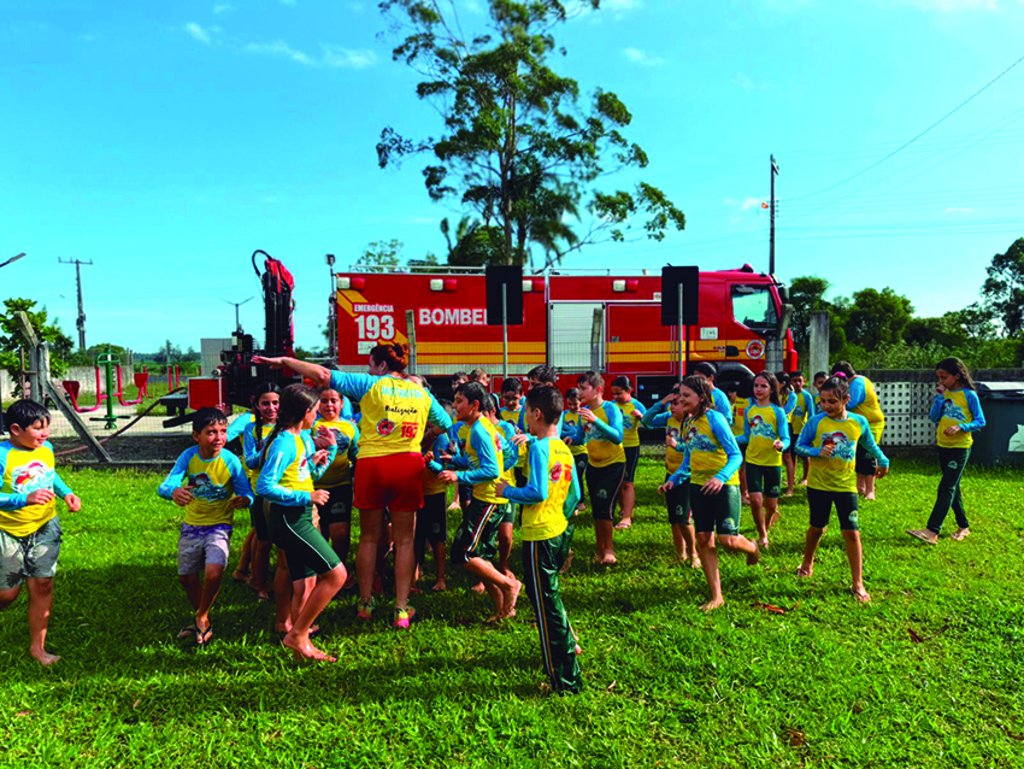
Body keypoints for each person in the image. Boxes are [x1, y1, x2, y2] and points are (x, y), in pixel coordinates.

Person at [254, 345, 452, 629]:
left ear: (382, 367)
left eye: (371, 365)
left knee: (369, 537)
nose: (369, 370)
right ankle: (401, 608)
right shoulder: (422, 393)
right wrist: (420, 436)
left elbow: (322, 374)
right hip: (407, 464)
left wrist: (285, 360)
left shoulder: (371, 384)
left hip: (371, 465)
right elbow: (444, 422)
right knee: (405, 539)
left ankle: (365, 601)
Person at [497, 385, 583, 695]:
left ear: (536, 413)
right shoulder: (562, 447)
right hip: (558, 531)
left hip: (539, 536)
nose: (523, 421)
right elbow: (575, 495)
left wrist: (505, 491)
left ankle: (565, 680)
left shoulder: (538, 449)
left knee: (546, 611)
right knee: (550, 601)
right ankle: (568, 652)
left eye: (525, 414)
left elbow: (536, 492)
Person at [257, 384, 342, 661]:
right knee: (337, 575)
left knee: (306, 582)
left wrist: (323, 457)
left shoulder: (300, 438)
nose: (317, 417)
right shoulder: (283, 442)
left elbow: (305, 475)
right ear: (306, 412)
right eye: (315, 412)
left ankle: (300, 639)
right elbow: (265, 485)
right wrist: (306, 495)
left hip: (300, 515)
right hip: (290, 520)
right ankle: (296, 635)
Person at [659, 376, 759, 611]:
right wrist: (673, 480)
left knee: (728, 540)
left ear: (701, 397)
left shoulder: (715, 419)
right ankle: (717, 595)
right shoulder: (688, 422)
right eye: (680, 395)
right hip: (697, 486)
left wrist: (720, 478)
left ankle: (753, 548)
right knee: (704, 539)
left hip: (725, 486)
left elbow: (735, 455)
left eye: (686, 396)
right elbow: (688, 458)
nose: (681, 400)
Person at [157, 408, 253, 646]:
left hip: (219, 527)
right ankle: (204, 616)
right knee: (186, 578)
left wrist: (246, 500)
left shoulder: (230, 460)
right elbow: (165, 486)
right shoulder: (189, 457)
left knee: (213, 572)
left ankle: (200, 616)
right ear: (196, 436)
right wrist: (174, 492)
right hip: (191, 526)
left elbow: (246, 491)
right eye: (211, 432)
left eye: (223, 431)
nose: (219, 437)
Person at [0, 399, 82, 666]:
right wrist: (24, 499)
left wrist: (66, 493)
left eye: (47, 427)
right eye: (38, 428)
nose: (45, 434)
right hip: (8, 531)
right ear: (15, 429)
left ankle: (38, 648)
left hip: (45, 525)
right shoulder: (3, 455)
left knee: (43, 584)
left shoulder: (45, 448)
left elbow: (51, 474)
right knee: (7, 595)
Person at [794, 375, 889, 603]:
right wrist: (816, 452)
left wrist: (883, 460)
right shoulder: (816, 422)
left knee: (852, 532)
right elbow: (799, 446)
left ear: (845, 399)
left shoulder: (858, 422)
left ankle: (858, 583)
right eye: (823, 401)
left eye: (832, 402)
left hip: (846, 486)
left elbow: (869, 444)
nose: (826, 406)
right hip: (819, 485)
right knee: (817, 528)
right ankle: (807, 562)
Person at [439, 382, 520, 621]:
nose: (454, 407)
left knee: (462, 553)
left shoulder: (479, 431)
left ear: (475, 405)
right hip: (487, 498)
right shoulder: (482, 427)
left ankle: (509, 584)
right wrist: (455, 460)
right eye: (454, 401)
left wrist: (458, 475)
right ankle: (504, 610)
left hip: (488, 501)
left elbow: (492, 470)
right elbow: (503, 455)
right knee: (480, 556)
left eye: (459, 402)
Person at [907, 358, 985, 545]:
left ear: (957, 376)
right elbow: (934, 417)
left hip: (960, 448)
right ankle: (963, 526)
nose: (940, 381)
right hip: (943, 446)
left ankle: (932, 531)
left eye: (944, 377)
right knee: (953, 487)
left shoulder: (969, 396)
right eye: (938, 377)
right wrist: (939, 398)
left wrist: (961, 427)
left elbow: (981, 421)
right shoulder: (944, 394)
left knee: (946, 486)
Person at [642, 384, 699, 568]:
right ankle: (680, 554)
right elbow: (646, 420)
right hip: (670, 474)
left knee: (683, 518)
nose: (672, 407)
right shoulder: (669, 418)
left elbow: (693, 449)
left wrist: (677, 445)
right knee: (674, 518)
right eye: (671, 403)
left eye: (676, 403)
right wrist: (661, 403)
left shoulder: (693, 423)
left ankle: (694, 554)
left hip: (686, 476)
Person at [735, 372, 789, 550]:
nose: (758, 389)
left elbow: (786, 438)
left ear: (772, 389)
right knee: (756, 501)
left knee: (771, 506)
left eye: (763, 386)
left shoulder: (777, 412)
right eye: (756, 386)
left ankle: (768, 521)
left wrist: (781, 444)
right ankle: (762, 535)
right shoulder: (750, 411)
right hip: (752, 461)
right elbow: (746, 436)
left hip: (773, 463)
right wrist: (728, 438)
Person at [312, 388, 360, 586]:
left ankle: (341, 570)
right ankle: (322, 574)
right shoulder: (310, 426)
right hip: (313, 488)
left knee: (340, 532)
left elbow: (356, 455)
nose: (329, 405)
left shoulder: (350, 427)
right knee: (319, 535)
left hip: (340, 485)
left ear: (342, 403)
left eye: (333, 400)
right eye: (324, 401)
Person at [237, 383, 280, 599]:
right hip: (259, 492)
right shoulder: (252, 429)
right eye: (266, 403)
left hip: (283, 491)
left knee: (281, 540)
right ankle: (259, 583)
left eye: (275, 403)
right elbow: (251, 461)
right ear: (257, 404)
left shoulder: (289, 426)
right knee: (264, 540)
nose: (271, 408)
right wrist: (268, 448)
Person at [576, 371, 625, 564]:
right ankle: (599, 551)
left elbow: (617, 436)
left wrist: (596, 421)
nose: (579, 392)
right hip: (593, 465)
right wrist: (569, 436)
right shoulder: (585, 411)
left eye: (583, 388)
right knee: (596, 508)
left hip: (613, 464)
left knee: (604, 506)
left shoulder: (610, 409)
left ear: (597, 390)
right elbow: (581, 436)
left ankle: (609, 551)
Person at [831, 362, 886, 500]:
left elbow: (851, 403)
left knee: (868, 455)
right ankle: (860, 487)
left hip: (871, 424)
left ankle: (870, 490)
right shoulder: (859, 381)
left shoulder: (858, 383)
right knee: (858, 455)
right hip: (858, 424)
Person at [417, 406, 452, 591]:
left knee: (437, 537)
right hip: (414, 491)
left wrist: (430, 463)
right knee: (416, 535)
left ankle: (441, 577)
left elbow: (444, 469)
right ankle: (417, 570)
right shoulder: (413, 432)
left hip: (435, 493)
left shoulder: (440, 438)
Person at [487, 395, 521, 579]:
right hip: (485, 489)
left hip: (506, 487)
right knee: (487, 533)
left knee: (506, 535)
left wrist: (498, 469)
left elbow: (513, 455)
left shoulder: (506, 427)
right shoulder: (476, 429)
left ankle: (503, 564)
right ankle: (486, 571)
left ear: (492, 410)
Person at [611, 376, 646, 531]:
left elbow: (649, 423)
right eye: (614, 394)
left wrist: (641, 417)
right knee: (617, 481)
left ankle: (627, 517)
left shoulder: (636, 405)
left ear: (629, 391)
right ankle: (623, 507)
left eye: (619, 393)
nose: (616, 397)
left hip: (631, 447)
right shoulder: (611, 406)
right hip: (614, 448)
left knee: (627, 481)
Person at [722, 379, 751, 506]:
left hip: (736, 435)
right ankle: (744, 494)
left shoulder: (738, 401)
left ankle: (742, 491)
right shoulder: (750, 402)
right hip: (745, 437)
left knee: (739, 466)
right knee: (744, 467)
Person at [786, 371, 816, 492]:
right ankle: (791, 477)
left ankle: (805, 477)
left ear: (804, 381)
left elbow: (811, 414)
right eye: (794, 380)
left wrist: (810, 429)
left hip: (802, 430)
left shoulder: (807, 396)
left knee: (804, 455)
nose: (797, 383)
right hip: (790, 430)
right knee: (792, 455)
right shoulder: (788, 396)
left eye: (800, 380)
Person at [562, 388, 589, 513]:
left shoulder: (583, 414)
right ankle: (569, 500)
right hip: (568, 452)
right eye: (570, 404)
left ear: (581, 402)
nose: (572, 407)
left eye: (575, 404)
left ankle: (580, 501)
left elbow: (582, 432)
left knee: (578, 475)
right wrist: (570, 432)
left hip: (582, 452)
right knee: (568, 476)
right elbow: (559, 431)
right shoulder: (564, 415)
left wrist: (570, 431)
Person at [500, 378, 528, 489]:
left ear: (522, 395)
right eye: (506, 398)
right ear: (501, 395)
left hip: (523, 461)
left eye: (514, 399)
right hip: (505, 461)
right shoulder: (499, 414)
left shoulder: (526, 414)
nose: (510, 402)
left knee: (522, 493)